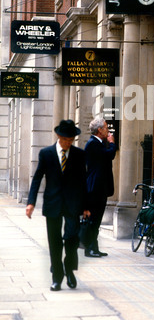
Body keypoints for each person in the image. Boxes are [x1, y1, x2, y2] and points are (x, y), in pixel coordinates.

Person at [26, 120, 90, 291]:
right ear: (59, 137)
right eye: (66, 140)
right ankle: (57, 277)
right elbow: (37, 178)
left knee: (71, 239)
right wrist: (31, 202)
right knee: (54, 242)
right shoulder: (45, 154)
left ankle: (69, 270)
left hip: (73, 204)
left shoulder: (79, 155)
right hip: (53, 203)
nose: (69, 143)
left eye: (72, 140)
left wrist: (86, 206)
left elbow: (83, 181)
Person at [84, 118, 117, 258]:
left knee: (96, 221)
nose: (108, 131)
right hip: (95, 188)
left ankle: (94, 247)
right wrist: (112, 143)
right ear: (99, 130)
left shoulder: (99, 143)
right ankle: (89, 249)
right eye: (105, 128)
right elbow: (109, 155)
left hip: (100, 187)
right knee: (93, 220)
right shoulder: (93, 144)